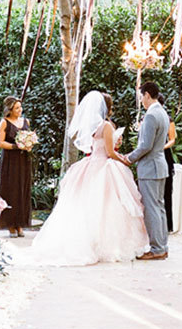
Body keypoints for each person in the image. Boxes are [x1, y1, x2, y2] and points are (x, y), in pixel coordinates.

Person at [32, 91, 149, 265]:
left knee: (88, 207)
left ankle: (90, 242)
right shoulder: (106, 126)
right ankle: (107, 245)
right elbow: (110, 152)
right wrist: (124, 159)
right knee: (109, 207)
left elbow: (96, 147)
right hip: (104, 166)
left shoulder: (92, 127)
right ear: (106, 107)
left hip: (91, 164)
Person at [122, 80, 170, 260]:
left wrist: (129, 158)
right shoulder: (162, 112)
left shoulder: (151, 115)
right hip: (159, 166)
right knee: (159, 208)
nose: (141, 100)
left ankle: (157, 248)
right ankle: (162, 246)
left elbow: (145, 145)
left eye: (141, 96)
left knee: (151, 209)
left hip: (150, 168)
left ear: (147, 95)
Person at [0, 96, 33, 237]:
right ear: (10, 110)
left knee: (22, 189)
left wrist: (28, 145)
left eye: (20, 107)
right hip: (10, 160)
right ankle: (10, 224)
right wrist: (16, 146)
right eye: (17, 108)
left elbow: (29, 137)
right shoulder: (4, 123)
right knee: (11, 189)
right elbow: (0, 143)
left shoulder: (26, 122)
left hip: (24, 160)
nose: (20, 110)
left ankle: (20, 223)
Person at [157, 94, 176, 233]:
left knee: (167, 191)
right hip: (152, 155)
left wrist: (162, 147)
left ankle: (168, 224)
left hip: (164, 154)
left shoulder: (168, 119)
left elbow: (172, 139)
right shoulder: (146, 118)